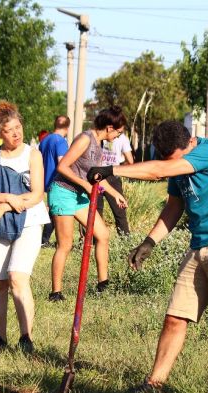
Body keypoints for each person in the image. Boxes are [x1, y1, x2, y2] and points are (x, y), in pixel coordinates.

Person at [88, 120, 208, 393]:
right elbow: (174, 206)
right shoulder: (176, 162)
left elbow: (159, 171)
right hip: (199, 243)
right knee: (175, 317)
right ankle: (154, 384)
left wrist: (111, 170)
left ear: (189, 143)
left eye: (173, 159)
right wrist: (149, 242)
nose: (170, 164)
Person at [0, 101, 49, 352]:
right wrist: (7, 199)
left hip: (29, 222)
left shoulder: (33, 154)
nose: (16, 133)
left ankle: (26, 338)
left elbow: (37, 194)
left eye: (18, 127)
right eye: (9, 130)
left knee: (18, 278)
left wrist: (6, 206)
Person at [48, 106, 128, 302]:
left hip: (79, 197)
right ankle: (55, 293)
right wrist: (85, 184)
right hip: (64, 193)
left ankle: (103, 284)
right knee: (65, 245)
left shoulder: (99, 145)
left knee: (103, 235)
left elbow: (97, 177)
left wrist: (115, 193)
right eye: (119, 132)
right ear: (109, 127)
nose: (119, 136)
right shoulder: (85, 138)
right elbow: (62, 166)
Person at [39, 115, 70, 245]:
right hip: (57, 181)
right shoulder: (61, 141)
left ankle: (45, 240)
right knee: (57, 212)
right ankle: (48, 240)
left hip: (45, 180)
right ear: (67, 128)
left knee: (53, 210)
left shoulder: (45, 140)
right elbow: (62, 162)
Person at [97, 131, 133, 235]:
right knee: (119, 211)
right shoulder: (123, 138)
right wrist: (119, 169)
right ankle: (125, 239)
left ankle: (93, 240)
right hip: (113, 175)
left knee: (96, 211)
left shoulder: (98, 135)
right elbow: (130, 161)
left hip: (97, 174)